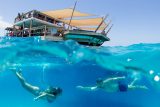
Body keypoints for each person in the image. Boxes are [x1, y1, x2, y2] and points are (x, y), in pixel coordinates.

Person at [76, 76, 148, 92]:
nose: (99, 85)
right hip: (118, 90)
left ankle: (142, 87)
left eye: (100, 83)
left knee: (133, 88)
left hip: (120, 87)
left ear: (102, 82)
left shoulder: (106, 81)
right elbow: (91, 88)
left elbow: (114, 79)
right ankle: (135, 80)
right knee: (131, 87)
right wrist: (82, 88)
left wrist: (122, 77)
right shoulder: (99, 87)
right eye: (98, 84)